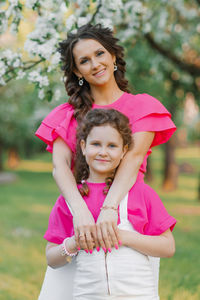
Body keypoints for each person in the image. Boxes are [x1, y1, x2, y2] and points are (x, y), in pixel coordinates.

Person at [35, 23, 176, 298]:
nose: (95, 64)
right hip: (80, 218)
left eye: (100, 54)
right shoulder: (67, 115)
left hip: (128, 215)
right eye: (84, 61)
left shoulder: (142, 107)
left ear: (113, 56)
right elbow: (60, 167)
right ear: (77, 71)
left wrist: (110, 209)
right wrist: (80, 212)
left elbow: (133, 159)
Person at [43, 108, 176, 300]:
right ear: (83, 146)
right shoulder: (70, 200)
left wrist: (123, 237)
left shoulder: (140, 193)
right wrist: (73, 244)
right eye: (96, 144)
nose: (103, 152)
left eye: (112, 146)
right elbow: (51, 259)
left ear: (123, 151)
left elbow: (168, 247)